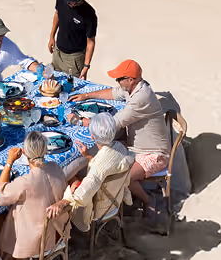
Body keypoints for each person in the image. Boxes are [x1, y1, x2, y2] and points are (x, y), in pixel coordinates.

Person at [69, 59, 170, 212]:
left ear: (131, 79)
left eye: (119, 79)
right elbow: (113, 93)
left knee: (124, 178)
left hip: (153, 154)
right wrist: (87, 96)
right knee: (110, 157)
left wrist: (80, 121)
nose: (117, 82)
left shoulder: (141, 98)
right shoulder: (133, 86)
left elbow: (111, 125)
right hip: (135, 145)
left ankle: (149, 201)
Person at [0, 131, 67, 260]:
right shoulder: (55, 168)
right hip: (59, 230)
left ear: (26, 153)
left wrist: (9, 162)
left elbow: (1, 195)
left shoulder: (25, 183)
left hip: (38, 242)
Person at [47, 112, 133, 231]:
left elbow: (84, 192)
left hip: (101, 207)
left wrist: (62, 202)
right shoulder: (120, 147)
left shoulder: (99, 166)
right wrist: (88, 157)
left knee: (69, 179)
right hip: (116, 198)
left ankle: (65, 230)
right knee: (74, 176)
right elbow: (107, 167)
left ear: (92, 137)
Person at [47, 0, 97, 79]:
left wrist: (86, 66)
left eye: (75, 0)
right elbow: (57, 14)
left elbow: (90, 42)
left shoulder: (89, 13)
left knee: (71, 90)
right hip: (58, 52)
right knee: (52, 83)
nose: (73, 4)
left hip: (74, 59)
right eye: (69, 1)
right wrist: (52, 36)